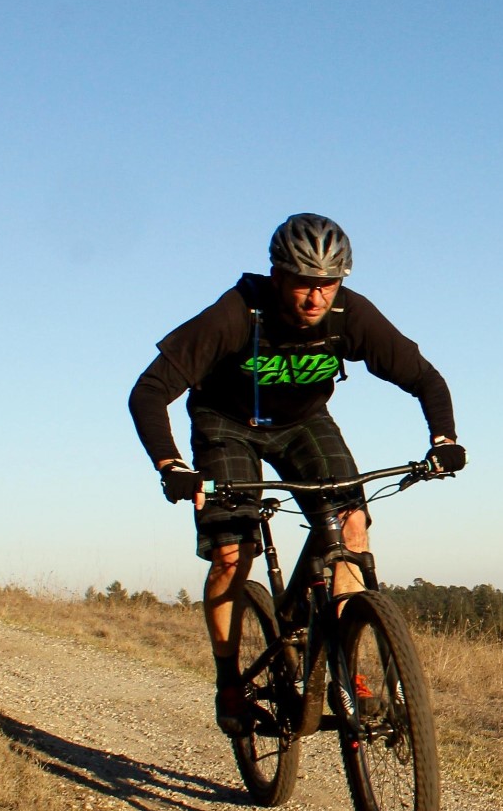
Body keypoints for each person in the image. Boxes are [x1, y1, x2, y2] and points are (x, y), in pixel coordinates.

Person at [128, 213, 465, 733]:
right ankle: (230, 686)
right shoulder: (237, 314)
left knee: (352, 527)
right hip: (226, 424)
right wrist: (171, 464)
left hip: (303, 422)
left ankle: (345, 670)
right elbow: (149, 391)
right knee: (231, 552)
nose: (315, 298)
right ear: (277, 274)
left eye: (326, 284)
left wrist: (442, 439)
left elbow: (423, 377)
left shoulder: (351, 316)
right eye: (303, 283)